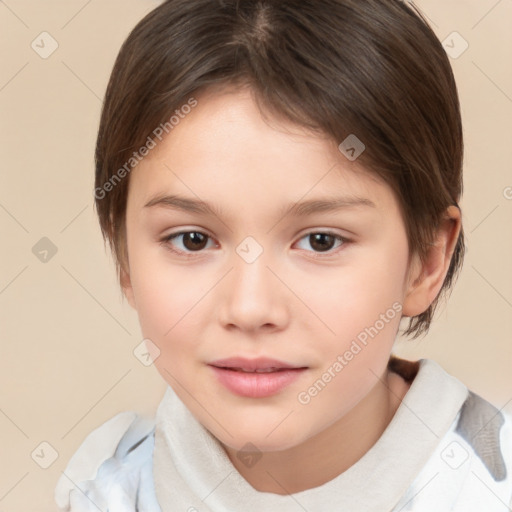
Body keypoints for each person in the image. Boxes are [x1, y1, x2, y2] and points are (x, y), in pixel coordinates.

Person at [54, 0, 512, 510]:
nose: (250, 309)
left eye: (321, 241)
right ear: (124, 258)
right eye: (193, 240)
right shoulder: (104, 491)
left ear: (426, 260)